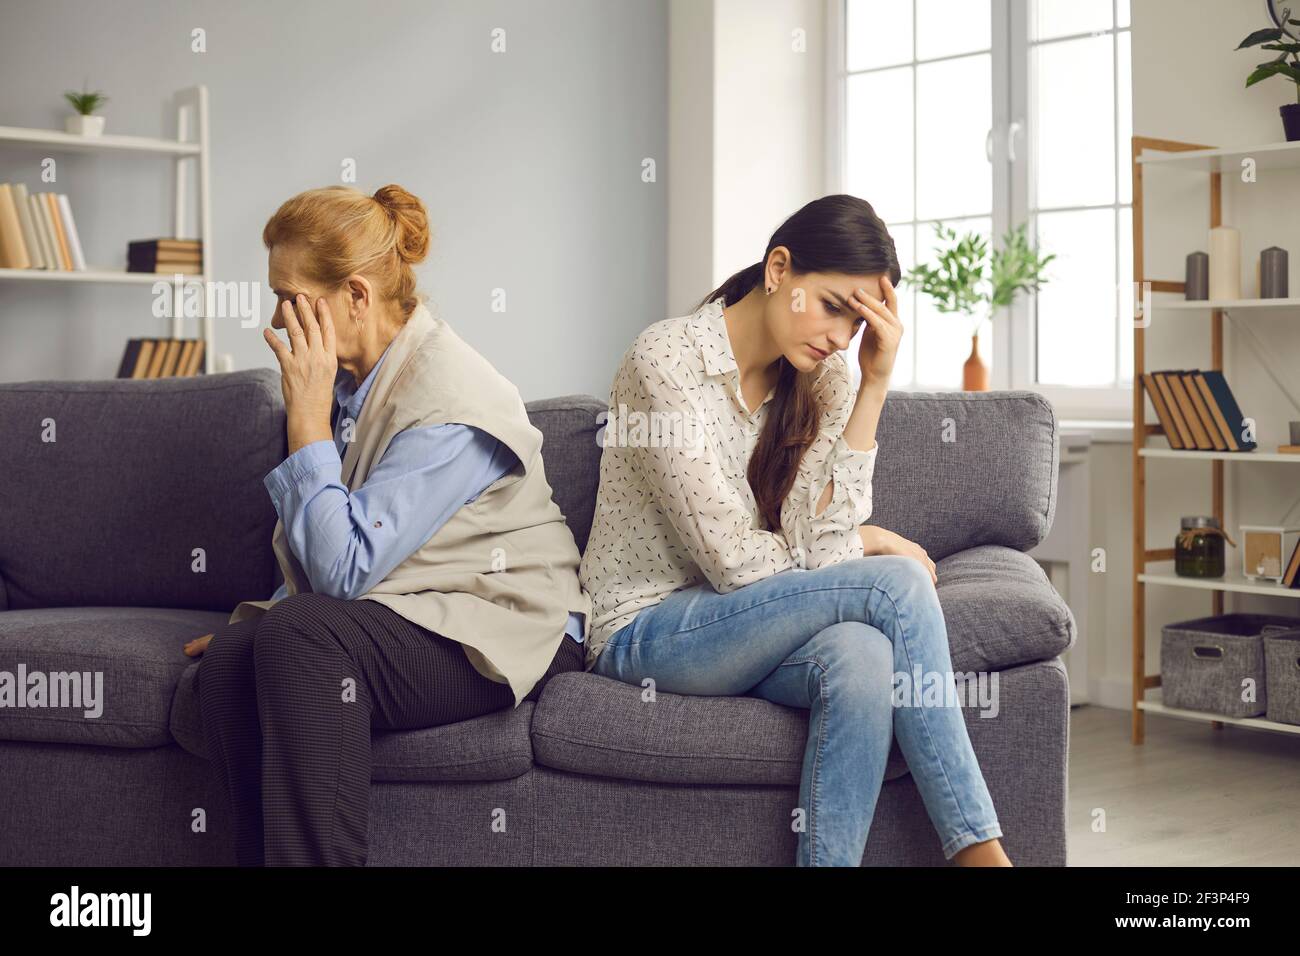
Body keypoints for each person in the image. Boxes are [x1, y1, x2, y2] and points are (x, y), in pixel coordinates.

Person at [578, 194, 1011, 867]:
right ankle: (980, 855)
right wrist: (867, 541)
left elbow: (818, 541)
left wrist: (874, 383)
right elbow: (731, 562)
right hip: (645, 630)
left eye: (857, 322)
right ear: (778, 269)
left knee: (863, 659)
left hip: (746, 626)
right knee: (895, 585)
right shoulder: (665, 360)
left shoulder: (826, 378)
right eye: (834, 306)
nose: (841, 335)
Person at [183, 184, 589, 866]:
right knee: (230, 663)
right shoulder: (357, 386)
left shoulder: (449, 396)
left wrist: (305, 420)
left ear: (355, 296)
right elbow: (350, 544)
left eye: (289, 297)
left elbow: (343, 573)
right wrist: (256, 625)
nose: (277, 319)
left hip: (508, 624)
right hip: (420, 606)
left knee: (299, 635)